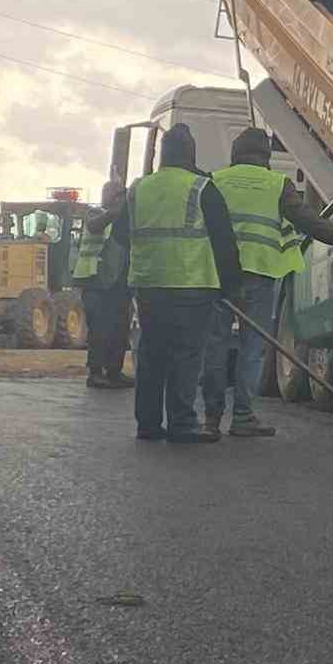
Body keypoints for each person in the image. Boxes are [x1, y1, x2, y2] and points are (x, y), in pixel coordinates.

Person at [201, 127, 333, 437]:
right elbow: (307, 220)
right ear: (266, 156)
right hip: (260, 274)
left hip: (217, 277)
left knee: (215, 346)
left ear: (235, 154)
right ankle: (243, 416)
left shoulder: (215, 181)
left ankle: (210, 419)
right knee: (251, 347)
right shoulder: (276, 184)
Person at [111, 125, 242, 443]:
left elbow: (119, 233)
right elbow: (224, 242)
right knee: (186, 355)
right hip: (192, 285)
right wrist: (231, 287)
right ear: (190, 154)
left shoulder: (139, 189)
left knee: (152, 354)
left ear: (161, 156)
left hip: (150, 286)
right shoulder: (202, 188)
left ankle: (148, 424)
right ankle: (182, 423)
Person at [74, 179, 134, 390]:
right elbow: (95, 225)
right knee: (99, 329)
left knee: (119, 329)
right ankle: (96, 372)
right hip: (95, 282)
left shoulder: (123, 219)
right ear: (109, 196)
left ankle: (114, 371)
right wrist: (119, 207)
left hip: (119, 283)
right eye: (119, 195)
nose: (122, 199)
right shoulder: (95, 214)